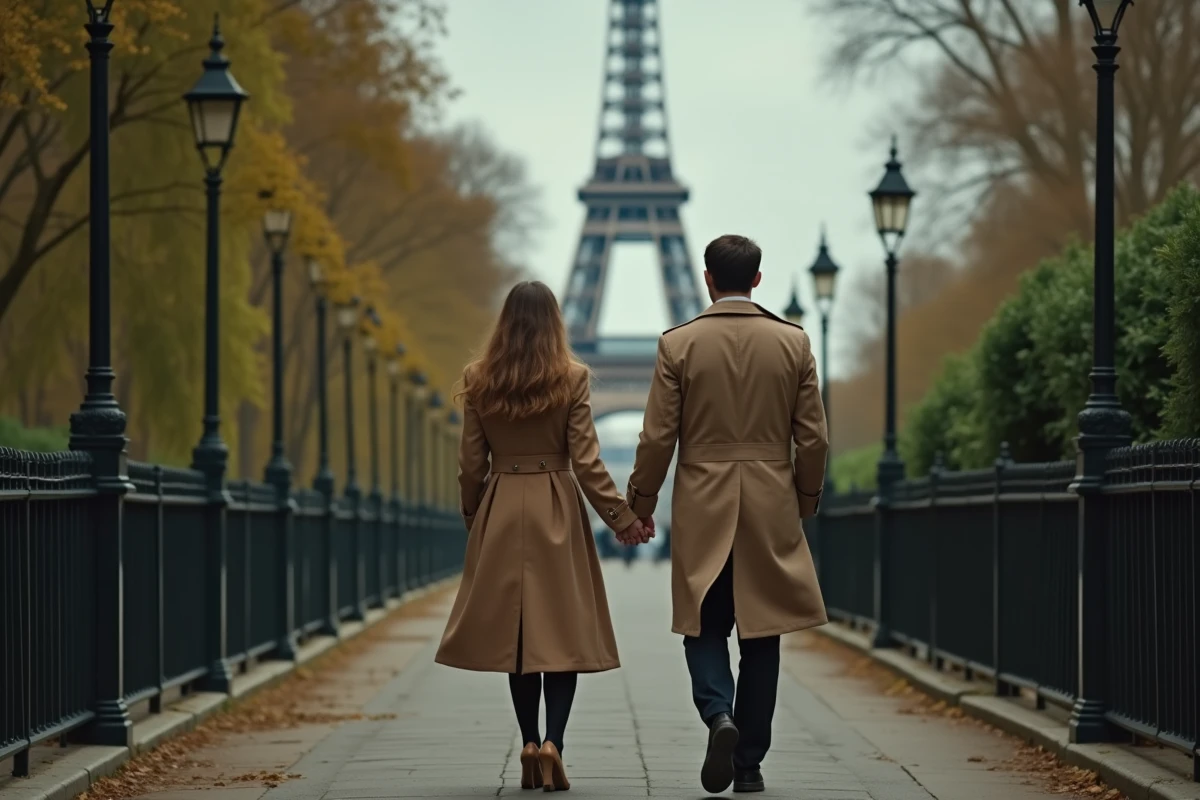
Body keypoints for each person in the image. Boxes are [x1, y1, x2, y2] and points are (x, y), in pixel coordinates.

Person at [621, 234, 829, 794]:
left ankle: (719, 716)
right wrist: (803, 500)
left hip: (705, 502)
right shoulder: (794, 343)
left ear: (708, 278)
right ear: (757, 279)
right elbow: (812, 439)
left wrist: (638, 507)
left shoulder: (679, 345)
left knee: (705, 624)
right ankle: (750, 765)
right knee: (764, 633)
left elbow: (657, 438)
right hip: (769, 502)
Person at [435, 280, 649, 792]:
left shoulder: (479, 378)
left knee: (519, 635)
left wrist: (474, 514)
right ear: (556, 322)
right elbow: (588, 461)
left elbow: (470, 464)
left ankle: (528, 741)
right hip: (556, 506)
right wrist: (623, 518)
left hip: (503, 505)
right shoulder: (572, 379)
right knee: (560, 633)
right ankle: (555, 741)